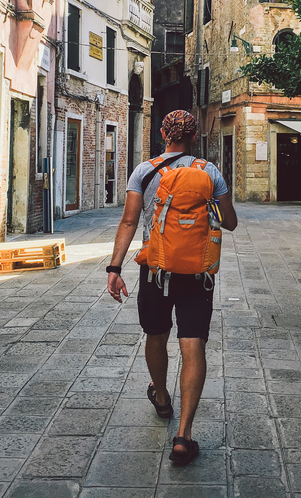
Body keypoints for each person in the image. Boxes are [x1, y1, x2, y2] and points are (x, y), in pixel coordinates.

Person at [105, 110, 237, 466]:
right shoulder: (209, 172)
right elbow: (231, 223)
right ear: (194, 137)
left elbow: (129, 221)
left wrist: (114, 268)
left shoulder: (143, 171)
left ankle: (162, 397)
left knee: (156, 336)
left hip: (155, 270)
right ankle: (184, 435)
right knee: (193, 345)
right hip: (197, 272)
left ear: (163, 134)